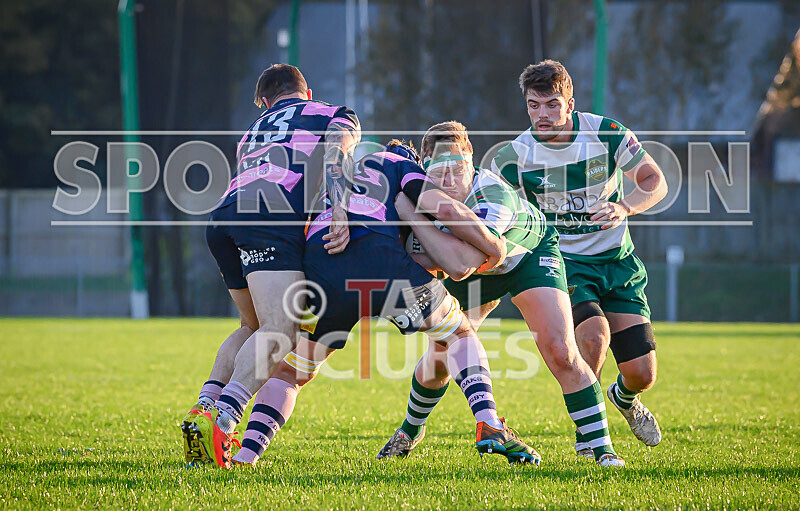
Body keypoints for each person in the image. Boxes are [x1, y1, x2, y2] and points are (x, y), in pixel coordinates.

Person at [230, 142, 541, 467]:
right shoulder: (397, 165)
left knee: (292, 372)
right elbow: (447, 218)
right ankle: (489, 422)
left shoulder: (337, 177)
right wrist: (495, 247)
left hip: (321, 269)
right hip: (382, 263)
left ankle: (247, 454)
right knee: (459, 334)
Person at [377, 122, 624, 467]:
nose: (450, 178)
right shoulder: (419, 197)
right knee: (440, 360)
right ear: (424, 171)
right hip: (470, 270)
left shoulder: (491, 195)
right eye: (439, 170)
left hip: (526, 259)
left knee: (560, 350)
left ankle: (603, 450)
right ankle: (409, 431)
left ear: (471, 161)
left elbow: (464, 261)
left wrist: (411, 218)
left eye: (458, 167)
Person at [181, 64, 360, 467]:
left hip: (225, 216)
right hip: (270, 216)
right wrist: (340, 211)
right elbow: (338, 151)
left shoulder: (252, 130)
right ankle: (224, 420)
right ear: (307, 93)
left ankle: (204, 406)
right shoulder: (332, 113)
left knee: (253, 327)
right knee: (281, 330)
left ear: (264, 101)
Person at [491, 60, 668, 456]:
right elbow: (495, 210)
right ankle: (589, 435)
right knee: (593, 335)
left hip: (617, 261)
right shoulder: (513, 156)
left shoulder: (605, 133)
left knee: (642, 375)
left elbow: (654, 181)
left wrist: (624, 207)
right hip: (563, 262)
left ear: (570, 102)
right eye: (534, 105)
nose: (542, 114)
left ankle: (623, 399)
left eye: (552, 104)